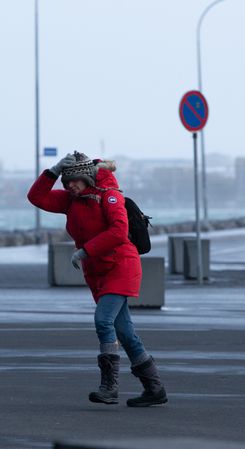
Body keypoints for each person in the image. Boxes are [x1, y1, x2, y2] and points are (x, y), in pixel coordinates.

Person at [27, 152, 168, 407]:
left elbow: (118, 232)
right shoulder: (72, 200)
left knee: (103, 321)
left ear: (86, 177)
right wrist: (54, 170)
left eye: (74, 180)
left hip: (121, 266)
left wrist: (85, 250)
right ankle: (154, 388)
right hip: (98, 272)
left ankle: (109, 387)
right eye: (66, 182)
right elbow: (36, 197)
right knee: (125, 332)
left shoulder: (110, 196)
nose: (69, 186)